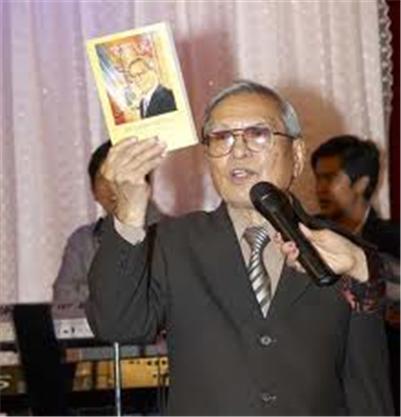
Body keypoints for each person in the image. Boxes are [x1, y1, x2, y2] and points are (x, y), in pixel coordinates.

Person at [86, 81, 394, 415]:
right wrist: (129, 213)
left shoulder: (344, 252)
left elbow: (367, 387)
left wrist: (362, 271)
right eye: (222, 137)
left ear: (297, 155)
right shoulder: (173, 243)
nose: (238, 151)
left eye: (258, 134)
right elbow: (117, 324)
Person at [311, 134, 400, 414]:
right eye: (317, 178)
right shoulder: (306, 236)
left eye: (329, 178)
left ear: (361, 183)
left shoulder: (395, 241)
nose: (320, 188)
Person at [53, 140, 161, 305]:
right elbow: (63, 299)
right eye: (102, 179)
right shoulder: (82, 241)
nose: (112, 187)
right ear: (93, 191)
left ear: (145, 184)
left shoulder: (173, 234)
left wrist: (97, 293)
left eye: (119, 177)